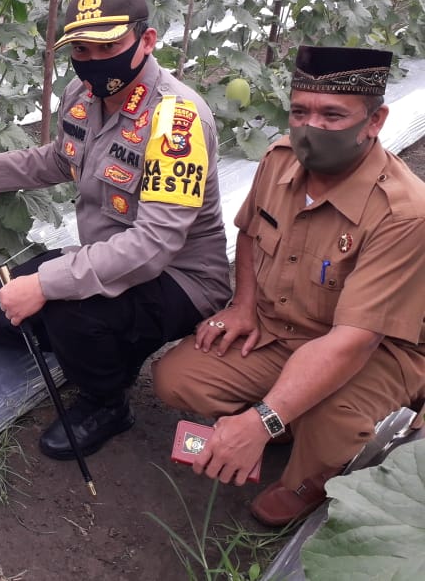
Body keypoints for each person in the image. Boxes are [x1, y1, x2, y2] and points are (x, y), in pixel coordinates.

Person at [0, 0, 231, 461]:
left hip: (181, 278)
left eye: (108, 47)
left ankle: (107, 400)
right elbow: (61, 159)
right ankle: (114, 342)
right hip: (108, 256)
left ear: (146, 41)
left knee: (63, 307)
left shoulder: (176, 123)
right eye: (82, 49)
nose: (94, 62)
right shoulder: (81, 94)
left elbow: (152, 247)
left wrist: (48, 285)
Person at [152, 45, 425, 526]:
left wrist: (264, 420)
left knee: (331, 417)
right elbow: (251, 232)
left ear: (376, 120)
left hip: (375, 350)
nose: (310, 127)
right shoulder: (279, 160)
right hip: (283, 329)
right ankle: (290, 412)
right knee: (178, 380)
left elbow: (352, 341)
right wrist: (243, 305)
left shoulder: (403, 213)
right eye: (300, 111)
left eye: (332, 115)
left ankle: (310, 479)